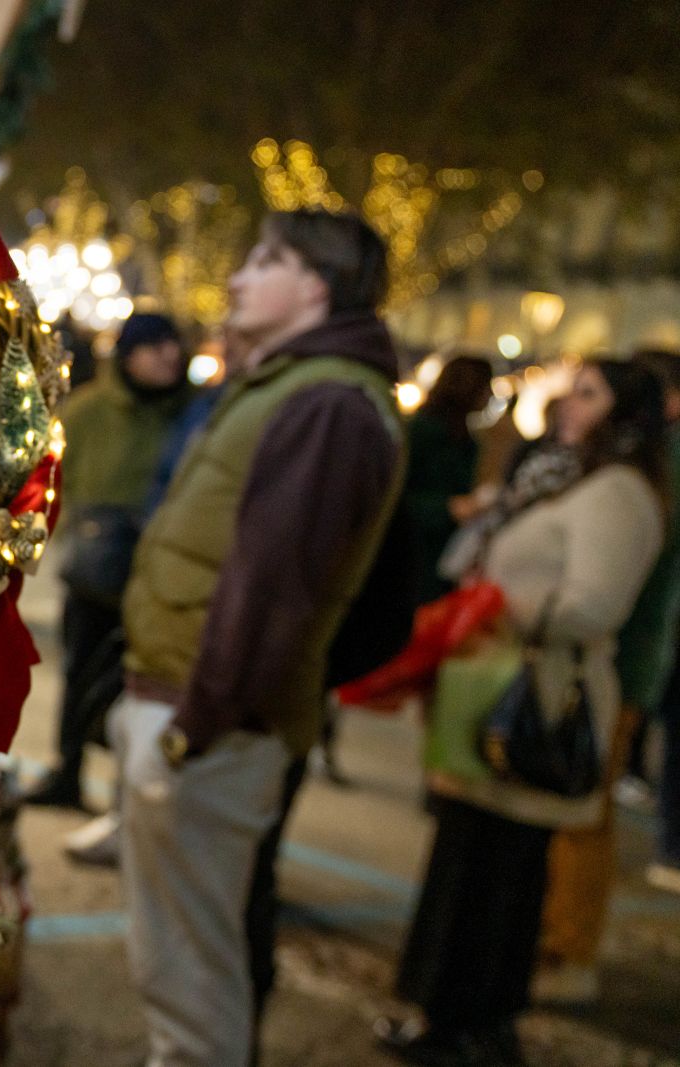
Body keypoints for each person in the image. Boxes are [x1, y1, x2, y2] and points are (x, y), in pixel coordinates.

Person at [110, 209, 404, 1067]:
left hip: (211, 728)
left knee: (192, 973)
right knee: (179, 961)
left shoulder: (329, 404)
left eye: (264, 260)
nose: (237, 278)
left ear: (316, 284)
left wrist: (191, 729)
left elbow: (272, 593)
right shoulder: (294, 387)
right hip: (193, 713)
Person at [381, 359, 666, 1066]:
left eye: (591, 392)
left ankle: (474, 1022)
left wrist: (500, 606)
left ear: (627, 415)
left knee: (500, 871)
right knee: (467, 856)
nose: (571, 400)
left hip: (535, 693)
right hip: (493, 675)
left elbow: (595, 603)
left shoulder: (619, 492)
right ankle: (443, 1013)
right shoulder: (561, 473)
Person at [531, 349, 680, 1004]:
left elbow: (620, 589)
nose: (572, 404)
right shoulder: (635, 470)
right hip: (612, 661)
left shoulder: (645, 477)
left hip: (610, 663)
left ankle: (568, 951)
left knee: (580, 813)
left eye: (589, 393)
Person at [25, 312, 196, 809]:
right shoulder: (89, 410)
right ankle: (68, 770)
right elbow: (55, 478)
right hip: (98, 567)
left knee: (147, 685)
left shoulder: (194, 413)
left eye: (173, 346)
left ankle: (131, 795)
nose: (169, 356)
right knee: (82, 669)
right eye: (155, 347)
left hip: (163, 574)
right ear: (128, 354)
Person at [404, 354, 494, 606]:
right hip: (410, 552)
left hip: (441, 555)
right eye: (487, 386)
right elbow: (395, 499)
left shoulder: (466, 439)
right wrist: (447, 507)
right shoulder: (422, 432)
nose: (489, 395)